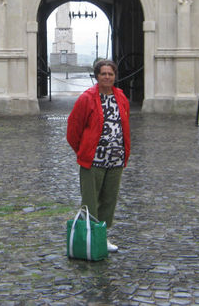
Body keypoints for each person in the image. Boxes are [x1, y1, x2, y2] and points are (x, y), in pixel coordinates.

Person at [67, 59, 130, 253]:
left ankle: (102, 237)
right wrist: (84, 150)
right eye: (103, 74)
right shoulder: (86, 98)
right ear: (97, 76)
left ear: (115, 76)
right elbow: (73, 129)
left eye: (110, 74)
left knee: (109, 200)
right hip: (93, 160)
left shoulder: (121, 96)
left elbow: (125, 123)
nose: (107, 77)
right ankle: (89, 238)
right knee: (90, 201)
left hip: (115, 159)